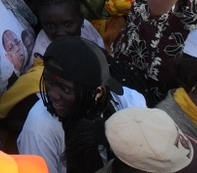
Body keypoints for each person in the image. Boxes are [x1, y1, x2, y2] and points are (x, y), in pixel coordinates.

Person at [17, 36, 144, 173]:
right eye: (48, 81)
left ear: (98, 93)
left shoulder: (129, 102)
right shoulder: (40, 127)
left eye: (65, 89)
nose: (53, 94)